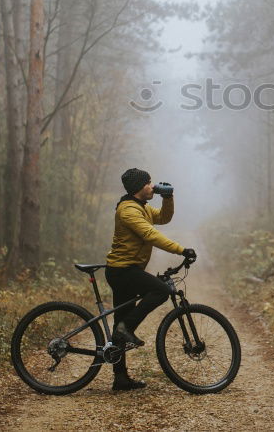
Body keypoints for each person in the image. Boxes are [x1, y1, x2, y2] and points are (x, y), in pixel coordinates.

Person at [105, 167, 196, 391]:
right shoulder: (128, 211)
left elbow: (164, 218)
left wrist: (168, 198)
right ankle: (125, 329)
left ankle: (120, 378)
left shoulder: (141, 208)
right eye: (148, 183)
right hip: (122, 271)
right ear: (138, 188)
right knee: (161, 291)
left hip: (128, 270)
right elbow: (150, 234)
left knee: (121, 321)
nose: (152, 186)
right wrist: (181, 250)